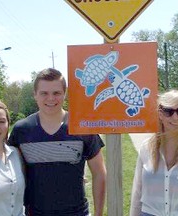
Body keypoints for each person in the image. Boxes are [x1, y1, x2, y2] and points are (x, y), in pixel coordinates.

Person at [8, 68, 106, 216]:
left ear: (64, 94)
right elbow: (10, 174)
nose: (51, 98)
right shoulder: (21, 130)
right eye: (44, 93)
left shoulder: (82, 127)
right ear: (35, 95)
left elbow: (99, 173)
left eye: (56, 93)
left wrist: (98, 213)